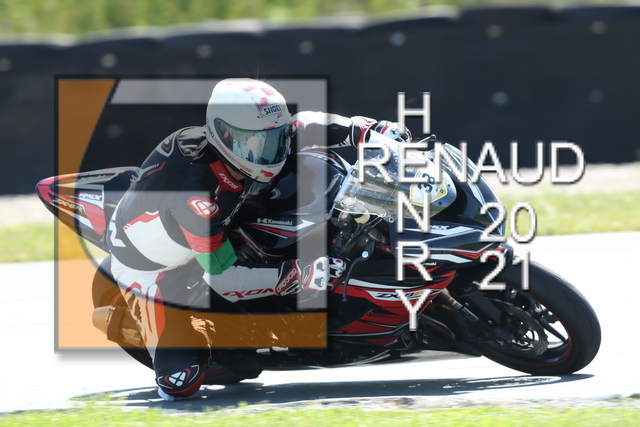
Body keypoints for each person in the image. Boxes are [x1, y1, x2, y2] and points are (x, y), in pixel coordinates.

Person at [105, 78, 411, 401]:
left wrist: (369, 131)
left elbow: (302, 126)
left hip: (215, 228)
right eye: (254, 143)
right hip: (159, 270)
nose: (269, 152)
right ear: (223, 134)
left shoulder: (246, 147)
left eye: (274, 139)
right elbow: (222, 277)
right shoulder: (195, 194)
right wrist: (299, 274)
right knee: (186, 382)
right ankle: (158, 327)